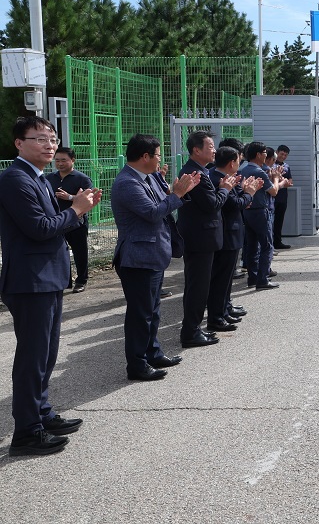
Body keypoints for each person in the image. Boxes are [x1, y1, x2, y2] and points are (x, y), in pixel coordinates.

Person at [0, 117, 101, 456]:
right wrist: (75, 209)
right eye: (40, 138)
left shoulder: (37, 177)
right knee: (33, 356)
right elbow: (40, 228)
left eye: (52, 139)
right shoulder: (15, 179)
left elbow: (52, 223)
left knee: (47, 352)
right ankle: (27, 431)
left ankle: (41, 414)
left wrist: (77, 208)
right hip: (30, 280)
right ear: (19, 143)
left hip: (47, 277)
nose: (49, 145)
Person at [111, 134, 200, 381]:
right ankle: (137, 364)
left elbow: (164, 203)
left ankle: (153, 352)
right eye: (158, 154)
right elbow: (152, 213)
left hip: (153, 254)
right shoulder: (127, 183)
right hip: (137, 257)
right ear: (145, 156)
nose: (160, 159)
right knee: (141, 314)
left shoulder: (149, 177)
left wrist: (176, 191)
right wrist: (177, 195)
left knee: (153, 310)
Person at [177, 131, 236, 344]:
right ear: (196, 150)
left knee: (199, 286)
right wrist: (226, 189)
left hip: (202, 237)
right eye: (210, 147)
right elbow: (212, 205)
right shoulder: (196, 174)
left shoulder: (199, 170)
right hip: (199, 238)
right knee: (197, 287)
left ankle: (194, 329)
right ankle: (191, 332)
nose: (214, 150)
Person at [208, 146, 263, 329]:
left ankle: (224, 310)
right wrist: (249, 193)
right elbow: (234, 204)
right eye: (238, 160)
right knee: (221, 279)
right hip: (226, 235)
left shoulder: (226, 178)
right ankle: (217, 316)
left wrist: (243, 191)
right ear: (232, 163)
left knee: (226, 278)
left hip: (231, 233)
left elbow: (236, 200)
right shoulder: (218, 179)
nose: (240, 163)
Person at [46, 147, 93, 293]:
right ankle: (65, 281)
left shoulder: (82, 179)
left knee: (80, 252)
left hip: (76, 223)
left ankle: (81, 280)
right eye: (57, 160)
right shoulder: (49, 179)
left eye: (63, 160)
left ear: (73, 160)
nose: (59, 163)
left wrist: (70, 197)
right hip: (56, 222)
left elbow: (90, 199)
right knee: (60, 252)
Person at [242, 141, 288, 290]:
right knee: (267, 246)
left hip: (247, 210)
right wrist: (276, 179)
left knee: (252, 246)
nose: (265, 156)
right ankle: (263, 279)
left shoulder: (243, 168)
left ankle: (253, 277)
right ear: (257, 155)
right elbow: (273, 191)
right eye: (264, 153)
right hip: (260, 210)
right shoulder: (259, 171)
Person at [272, 145, 293, 249]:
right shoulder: (270, 165)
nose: (283, 156)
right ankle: (269, 243)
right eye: (281, 154)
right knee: (269, 220)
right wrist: (279, 181)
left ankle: (277, 241)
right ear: (277, 152)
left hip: (283, 197)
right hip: (272, 196)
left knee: (279, 220)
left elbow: (290, 179)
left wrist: (287, 183)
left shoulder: (286, 166)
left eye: (285, 155)